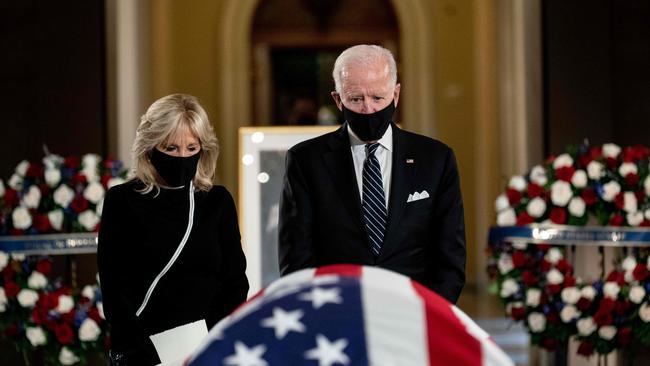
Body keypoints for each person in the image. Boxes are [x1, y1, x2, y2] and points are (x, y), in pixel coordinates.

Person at [278, 45, 466, 303]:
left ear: (396, 94)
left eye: (378, 97)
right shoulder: (305, 161)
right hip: (336, 315)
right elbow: (296, 256)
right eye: (356, 99)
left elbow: (450, 256)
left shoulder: (435, 159)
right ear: (338, 99)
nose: (368, 109)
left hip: (414, 313)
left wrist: (430, 314)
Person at [97, 94, 249, 365]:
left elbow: (235, 282)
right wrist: (144, 351)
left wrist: (214, 340)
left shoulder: (217, 201)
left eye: (192, 148)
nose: (182, 157)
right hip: (142, 349)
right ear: (150, 146)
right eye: (171, 148)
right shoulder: (122, 200)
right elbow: (114, 287)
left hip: (206, 348)